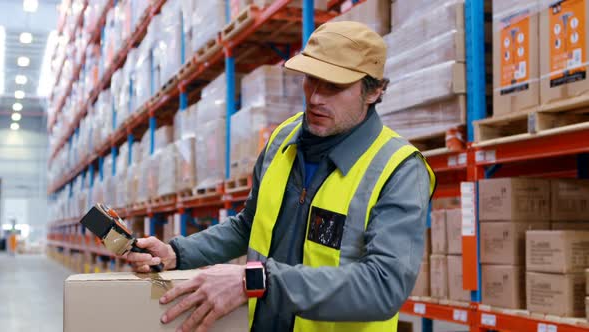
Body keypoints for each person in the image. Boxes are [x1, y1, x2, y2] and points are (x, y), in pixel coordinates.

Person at [126, 21, 436, 332]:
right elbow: (250, 224)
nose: (315, 98)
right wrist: (178, 253)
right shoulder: (283, 139)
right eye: (311, 80)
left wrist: (256, 281)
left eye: (334, 86)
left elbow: (383, 287)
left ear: (374, 91)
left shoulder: (400, 170)